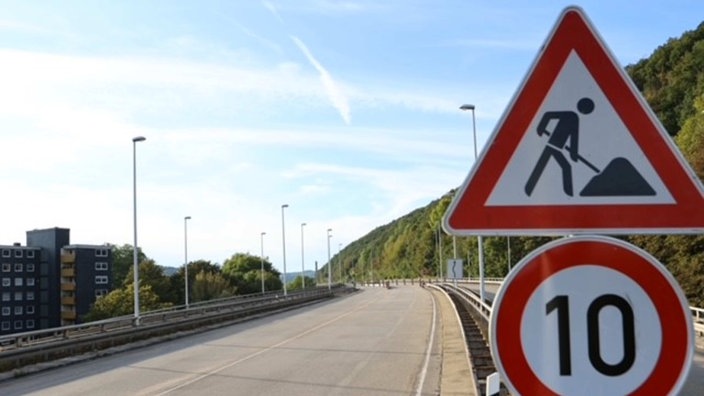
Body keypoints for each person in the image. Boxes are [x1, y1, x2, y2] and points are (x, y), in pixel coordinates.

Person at [524, 97, 594, 196]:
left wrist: (573, 154)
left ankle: (528, 189)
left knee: (542, 166)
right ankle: (569, 194)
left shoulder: (574, 118)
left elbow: (574, 138)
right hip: (552, 145)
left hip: (556, 147)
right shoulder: (570, 115)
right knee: (562, 167)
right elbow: (548, 115)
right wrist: (541, 128)